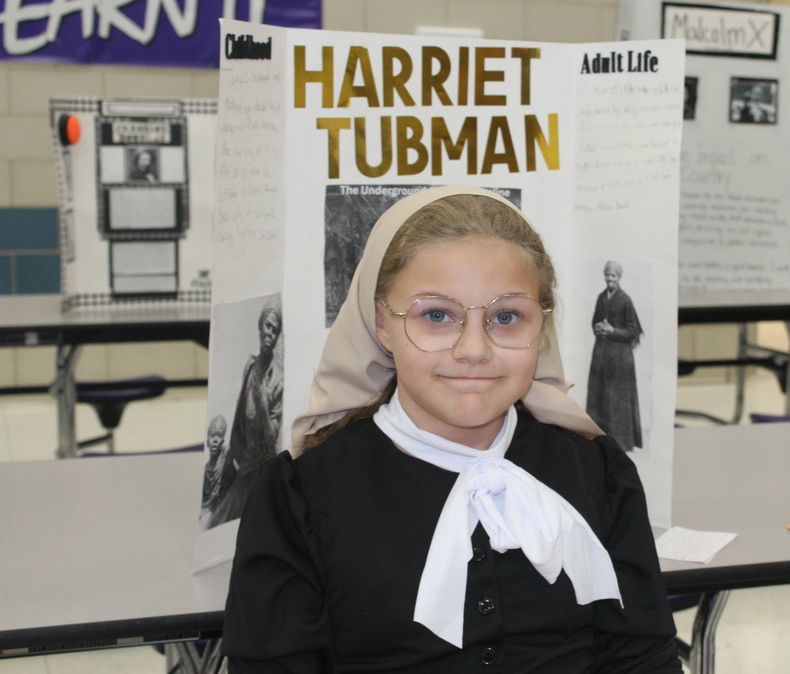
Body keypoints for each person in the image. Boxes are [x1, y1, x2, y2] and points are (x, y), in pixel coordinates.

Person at [222, 187, 681, 671]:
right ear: (382, 323)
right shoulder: (301, 495)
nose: (474, 350)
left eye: (506, 317)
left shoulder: (598, 472)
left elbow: (641, 659)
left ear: (541, 325)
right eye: (437, 315)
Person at [213, 295, 284, 527]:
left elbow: (272, 437)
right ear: (260, 326)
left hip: (263, 468)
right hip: (242, 463)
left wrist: (262, 400)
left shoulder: (277, 379)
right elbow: (240, 415)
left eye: (275, 330)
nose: (270, 333)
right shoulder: (250, 367)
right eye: (268, 326)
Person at [586, 261, 644, 452]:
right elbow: (595, 321)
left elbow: (632, 331)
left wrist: (612, 330)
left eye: (613, 276)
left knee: (617, 399)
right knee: (600, 396)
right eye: (607, 275)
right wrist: (598, 327)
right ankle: (599, 442)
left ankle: (621, 443)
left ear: (619, 278)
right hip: (602, 356)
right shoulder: (601, 297)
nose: (609, 279)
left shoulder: (625, 300)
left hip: (620, 358)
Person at [199, 414, 232, 530]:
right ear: (207, 441)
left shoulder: (226, 458)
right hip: (208, 510)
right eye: (212, 435)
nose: (215, 440)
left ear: (223, 440)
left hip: (223, 509)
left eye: (220, 435)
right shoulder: (205, 470)